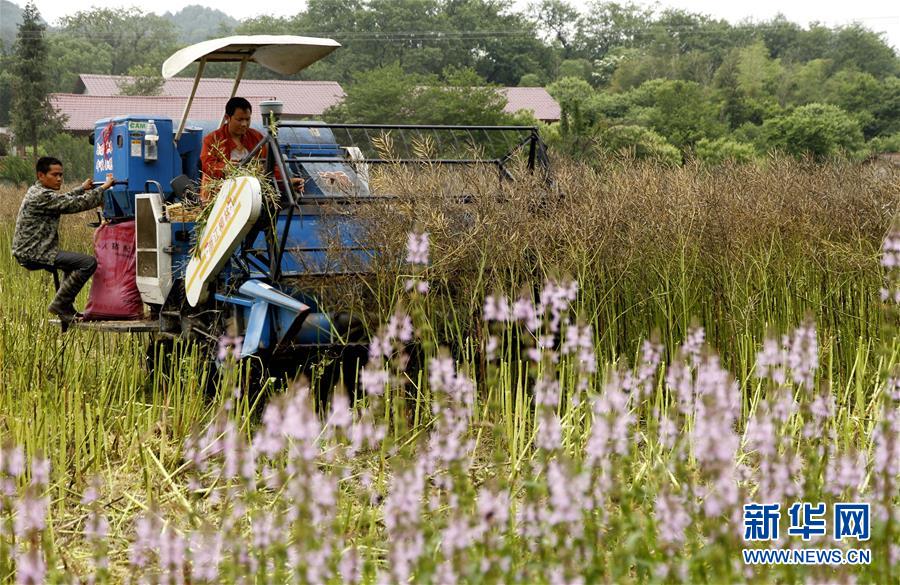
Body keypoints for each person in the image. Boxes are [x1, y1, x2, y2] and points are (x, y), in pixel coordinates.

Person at [12, 157, 115, 322]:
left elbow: (63, 199)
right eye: (55, 175)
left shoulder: (39, 192)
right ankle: (60, 304)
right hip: (34, 253)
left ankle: (65, 307)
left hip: (34, 250)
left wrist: (82, 188)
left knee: (71, 264)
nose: (59, 178)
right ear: (41, 175)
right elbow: (74, 205)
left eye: (61, 175)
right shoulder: (41, 196)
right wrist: (104, 187)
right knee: (88, 263)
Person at [199, 96, 303, 201]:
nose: (244, 124)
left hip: (252, 196)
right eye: (239, 120)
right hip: (219, 196)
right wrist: (227, 168)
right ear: (227, 118)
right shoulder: (213, 139)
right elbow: (207, 166)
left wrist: (287, 182)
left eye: (247, 119)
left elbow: (271, 167)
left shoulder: (257, 138)